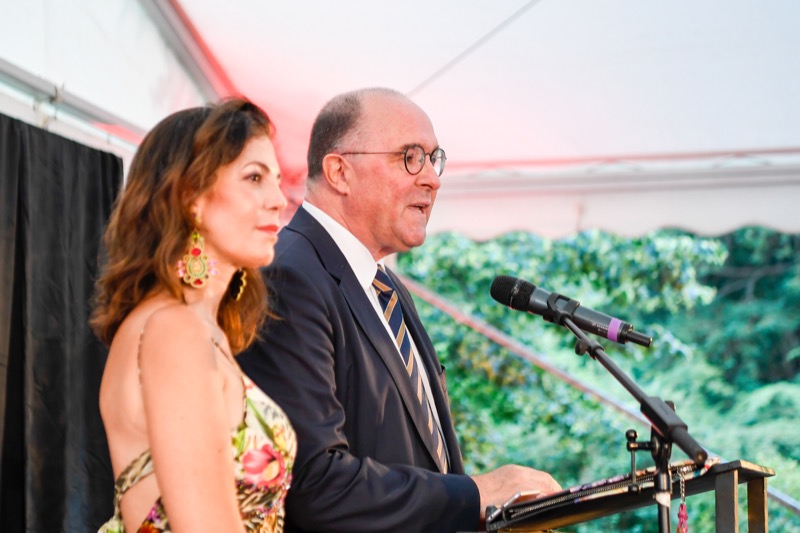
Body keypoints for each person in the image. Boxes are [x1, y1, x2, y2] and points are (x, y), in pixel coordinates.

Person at [238, 87, 560, 532]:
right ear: (339, 172)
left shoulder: (386, 285)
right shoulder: (290, 276)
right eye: (410, 157)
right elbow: (316, 484)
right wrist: (477, 492)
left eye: (434, 159)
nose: (432, 179)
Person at [91, 98, 295, 532]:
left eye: (277, 180)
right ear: (191, 197)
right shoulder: (174, 328)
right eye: (254, 177)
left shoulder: (192, 325)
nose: (279, 200)